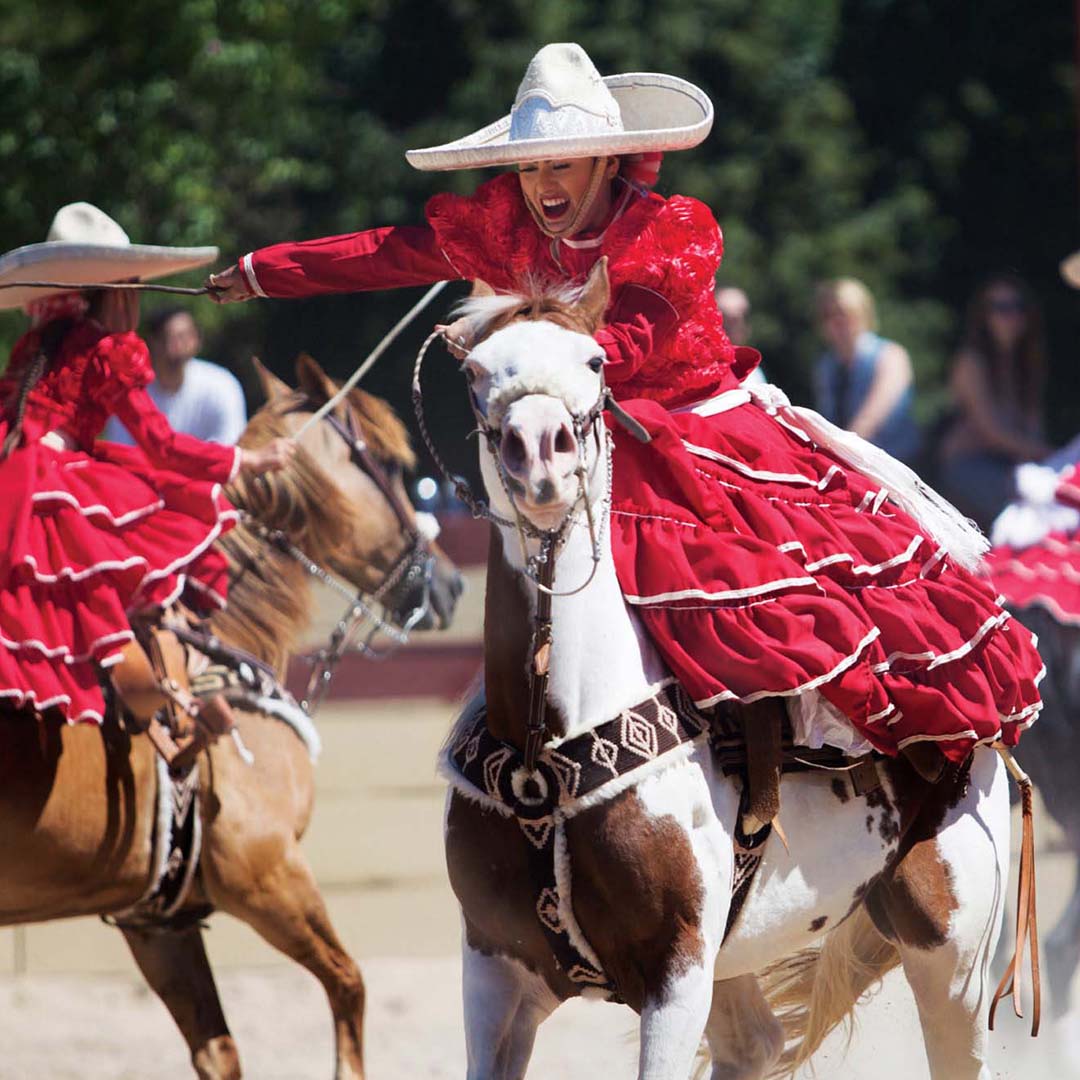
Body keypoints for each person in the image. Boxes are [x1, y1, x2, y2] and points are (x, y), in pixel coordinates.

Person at [208, 43, 1041, 766]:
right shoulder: (509, 229)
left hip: (699, 425)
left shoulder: (672, 227)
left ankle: (793, 755)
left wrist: (572, 366)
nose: (540, 184)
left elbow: (639, 333)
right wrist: (261, 271)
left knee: (761, 587)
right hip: (583, 422)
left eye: (559, 164)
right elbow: (386, 253)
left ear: (609, 161)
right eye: (530, 166)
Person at [0, 202, 292, 730]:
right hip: (51, 472)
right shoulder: (110, 348)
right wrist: (243, 459)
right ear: (118, 291)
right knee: (157, 519)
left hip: (12, 468)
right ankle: (169, 690)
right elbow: (159, 443)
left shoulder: (37, 343)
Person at [938, 273, 1052, 530]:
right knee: (1027, 512)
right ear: (984, 316)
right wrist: (1048, 454)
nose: (1010, 315)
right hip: (967, 465)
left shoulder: (1026, 365)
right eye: (1000, 308)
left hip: (1009, 463)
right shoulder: (970, 362)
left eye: (1017, 306)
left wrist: (1048, 463)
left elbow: (1033, 427)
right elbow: (992, 432)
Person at [104, 306, 247, 446]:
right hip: (142, 470)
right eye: (173, 336)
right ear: (153, 341)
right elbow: (122, 447)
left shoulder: (221, 385)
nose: (182, 343)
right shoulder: (130, 391)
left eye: (187, 335)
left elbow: (230, 445)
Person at [812, 278, 919, 463]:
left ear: (863, 313)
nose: (836, 321)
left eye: (843, 313)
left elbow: (871, 419)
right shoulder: (826, 367)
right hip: (849, 460)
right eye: (827, 315)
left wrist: (836, 452)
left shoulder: (890, 356)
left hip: (898, 463)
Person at [715, 284, 766, 386]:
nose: (732, 327)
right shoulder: (699, 373)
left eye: (739, 318)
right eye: (724, 318)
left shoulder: (754, 375)